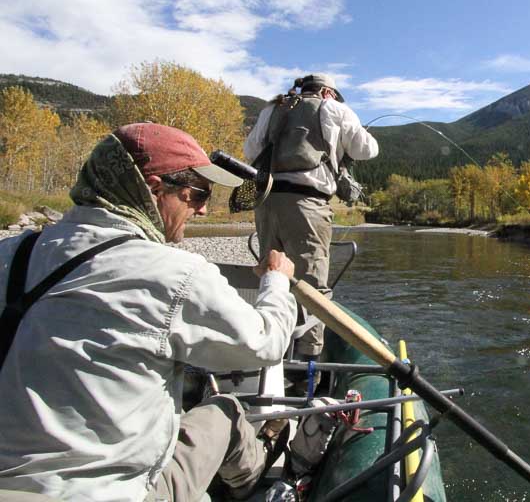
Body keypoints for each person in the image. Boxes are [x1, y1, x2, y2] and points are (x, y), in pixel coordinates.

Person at [0, 123, 299, 502]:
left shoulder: (11, 253)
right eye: (197, 194)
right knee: (225, 410)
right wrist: (276, 280)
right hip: (111, 493)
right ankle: (260, 486)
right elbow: (266, 344)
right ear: (155, 189)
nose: (204, 209)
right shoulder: (174, 273)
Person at [243, 74, 378, 369]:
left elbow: (249, 151)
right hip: (307, 204)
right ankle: (307, 365)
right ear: (327, 92)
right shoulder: (335, 108)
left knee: (271, 273)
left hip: (265, 201)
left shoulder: (273, 108)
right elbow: (366, 150)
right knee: (312, 286)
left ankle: (267, 352)